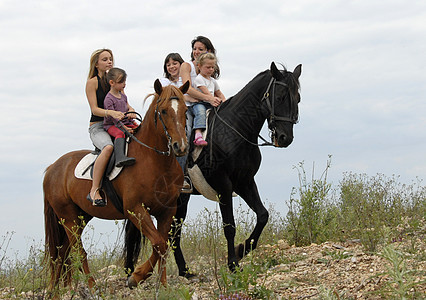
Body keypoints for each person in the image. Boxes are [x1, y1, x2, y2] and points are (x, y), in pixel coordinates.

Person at [85, 49, 125, 207]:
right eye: (105, 59)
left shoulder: (116, 80)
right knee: (108, 147)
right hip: (98, 126)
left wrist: (129, 112)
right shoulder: (92, 82)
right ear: (96, 64)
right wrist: (111, 112)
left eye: (110, 59)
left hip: (116, 123)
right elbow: (94, 109)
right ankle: (94, 190)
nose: (109, 62)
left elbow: (124, 102)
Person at [103, 67, 137, 167]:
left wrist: (131, 114)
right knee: (120, 133)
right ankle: (120, 157)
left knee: (139, 129)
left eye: (124, 81)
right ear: (112, 83)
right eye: (121, 82)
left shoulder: (123, 96)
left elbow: (126, 108)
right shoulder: (108, 99)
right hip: (112, 125)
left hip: (125, 123)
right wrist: (125, 128)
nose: (124, 84)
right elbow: (114, 119)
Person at [191, 52, 226, 146]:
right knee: (200, 113)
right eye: (208, 67)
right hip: (201, 103)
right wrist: (214, 99)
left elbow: (219, 93)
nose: (211, 69)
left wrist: (225, 103)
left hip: (211, 103)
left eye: (212, 67)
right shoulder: (199, 79)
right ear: (199, 66)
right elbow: (206, 93)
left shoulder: (213, 81)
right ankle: (198, 135)